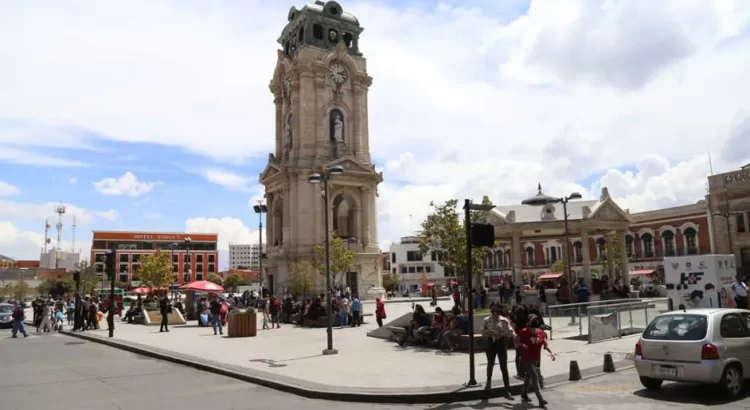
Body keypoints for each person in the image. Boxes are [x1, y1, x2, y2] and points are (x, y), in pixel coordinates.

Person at [515, 314, 554, 407]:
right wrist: (521, 345)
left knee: (528, 376)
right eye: (531, 328)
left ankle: (524, 393)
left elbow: (545, 344)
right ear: (528, 325)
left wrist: (551, 352)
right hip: (526, 359)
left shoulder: (540, 332)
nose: (533, 330)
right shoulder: (523, 332)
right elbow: (515, 341)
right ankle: (540, 399)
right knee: (534, 376)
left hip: (535, 359)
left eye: (534, 328)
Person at [483, 303, 514, 399]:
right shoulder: (486, 320)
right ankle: (488, 382)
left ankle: (507, 390)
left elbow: (510, 331)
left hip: (501, 343)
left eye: (497, 309)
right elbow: (483, 332)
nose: (495, 311)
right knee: (490, 364)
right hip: (490, 343)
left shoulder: (504, 320)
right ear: (491, 309)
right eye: (493, 308)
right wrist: (489, 332)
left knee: (503, 366)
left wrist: (503, 333)